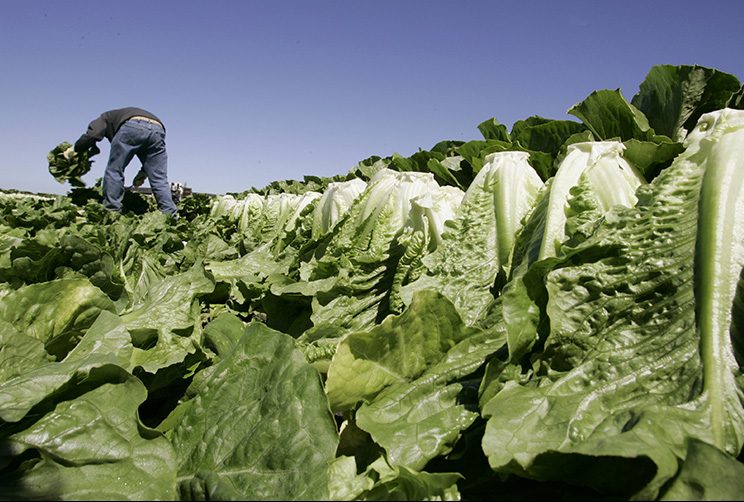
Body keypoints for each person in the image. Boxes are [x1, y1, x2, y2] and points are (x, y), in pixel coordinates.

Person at [68, 107, 179, 217]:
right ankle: (171, 216)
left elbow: (92, 134)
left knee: (115, 170)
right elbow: (152, 161)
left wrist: (73, 150)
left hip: (132, 124)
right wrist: (142, 174)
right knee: (159, 178)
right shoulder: (117, 115)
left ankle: (112, 211)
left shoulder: (104, 117)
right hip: (158, 129)